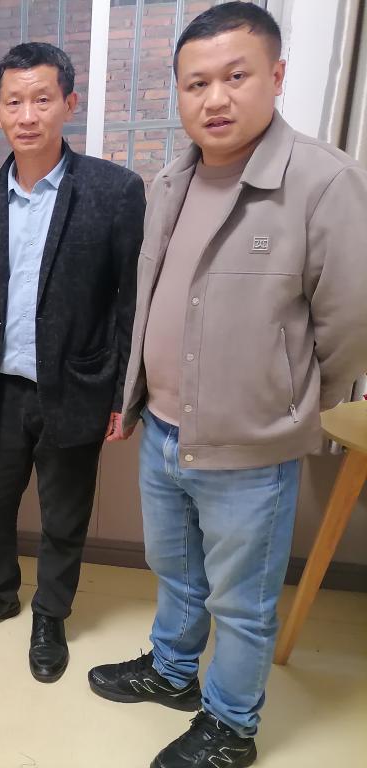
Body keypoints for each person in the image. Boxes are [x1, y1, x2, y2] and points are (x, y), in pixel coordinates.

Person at [86, 4, 367, 766]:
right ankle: (173, 671)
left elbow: (349, 324)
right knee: (176, 571)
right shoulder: (172, 178)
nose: (215, 98)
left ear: (276, 76)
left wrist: (289, 399)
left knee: (240, 602)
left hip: (250, 446)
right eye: (196, 83)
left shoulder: (323, 181)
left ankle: (231, 727)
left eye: (236, 76)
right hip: (165, 428)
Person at [0, 42, 145, 683]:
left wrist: (122, 394)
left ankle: (50, 613)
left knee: (64, 515)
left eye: (42, 99)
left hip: (76, 386)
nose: (27, 115)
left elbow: (128, 304)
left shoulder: (114, 192)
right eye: (14, 102)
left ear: (68, 104)